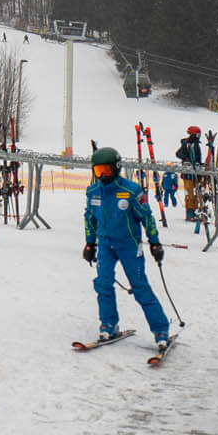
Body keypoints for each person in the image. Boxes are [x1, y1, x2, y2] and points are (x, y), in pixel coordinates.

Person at [82, 147, 171, 349]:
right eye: (98, 171)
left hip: (129, 246)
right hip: (105, 245)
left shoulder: (131, 190)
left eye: (106, 170)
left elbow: (146, 217)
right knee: (103, 284)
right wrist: (90, 243)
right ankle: (109, 323)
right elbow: (89, 218)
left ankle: (160, 329)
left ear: (116, 168)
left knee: (140, 287)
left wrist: (154, 242)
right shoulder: (93, 192)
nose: (102, 175)